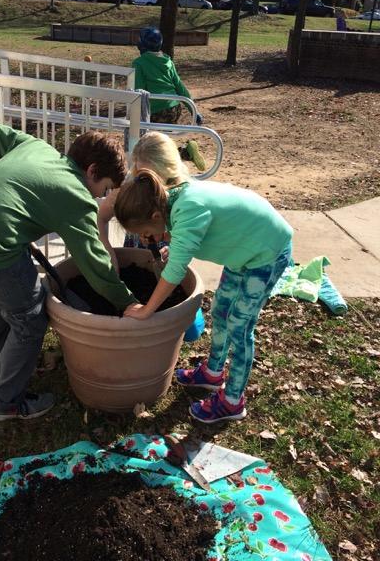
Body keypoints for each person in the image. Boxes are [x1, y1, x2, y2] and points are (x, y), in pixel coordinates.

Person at [0, 123, 137, 422]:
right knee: (29, 319)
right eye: (105, 188)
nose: (100, 196)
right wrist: (127, 302)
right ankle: (5, 404)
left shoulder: (37, 147)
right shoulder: (75, 193)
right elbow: (94, 263)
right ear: (92, 171)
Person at [114, 169, 293, 423]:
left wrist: (146, 310)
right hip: (242, 253)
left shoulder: (188, 208)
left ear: (155, 215)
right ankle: (213, 373)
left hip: (266, 251)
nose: (146, 239)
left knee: (239, 326)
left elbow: (175, 272)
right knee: (220, 311)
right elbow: (186, 231)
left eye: (145, 231)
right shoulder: (171, 200)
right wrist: (169, 239)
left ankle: (232, 402)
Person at [97, 131, 189, 272]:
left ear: (170, 169)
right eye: (142, 174)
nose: (146, 181)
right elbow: (101, 217)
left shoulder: (184, 194)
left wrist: (175, 249)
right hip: (135, 255)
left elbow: (191, 238)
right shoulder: (131, 184)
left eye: (154, 176)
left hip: (169, 255)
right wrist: (109, 257)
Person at [133, 27, 206, 171]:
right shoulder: (168, 61)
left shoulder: (139, 63)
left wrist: (134, 112)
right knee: (161, 141)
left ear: (142, 45)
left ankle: (185, 153)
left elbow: (138, 90)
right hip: (174, 107)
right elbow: (179, 86)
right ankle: (185, 153)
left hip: (155, 109)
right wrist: (193, 110)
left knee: (153, 148)